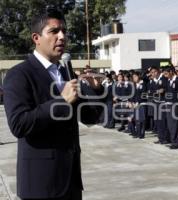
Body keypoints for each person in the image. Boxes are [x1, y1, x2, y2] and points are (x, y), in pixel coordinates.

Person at [3, 7, 103, 200]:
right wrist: (60, 101)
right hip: (41, 183)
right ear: (36, 38)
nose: (62, 36)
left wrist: (97, 91)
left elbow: (90, 118)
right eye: (54, 31)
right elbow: (19, 124)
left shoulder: (65, 71)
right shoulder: (19, 75)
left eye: (64, 31)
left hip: (71, 182)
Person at [164, 66, 178, 149]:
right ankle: (173, 140)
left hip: (174, 104)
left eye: (166, 73)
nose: (165, 75)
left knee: (174, 124)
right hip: (168, 104)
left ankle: (177, 142)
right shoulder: (169, 81)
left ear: (171, 72)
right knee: (170, 124)